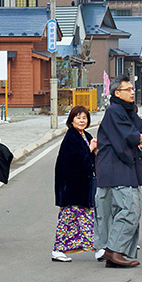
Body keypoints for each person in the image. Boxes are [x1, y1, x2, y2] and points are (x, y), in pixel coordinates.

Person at [95, 75, 142, 268]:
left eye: (133, 89)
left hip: (124, 168)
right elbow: (129, 136)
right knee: (129, 210)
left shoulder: (127, 111)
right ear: (117, 93)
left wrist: (141, 136)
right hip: (115, 168)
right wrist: (139, 137)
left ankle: (117, 253)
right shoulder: (114, 111)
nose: (132, 92)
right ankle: (114, 251)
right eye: (128, 89)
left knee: (127, 210)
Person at [52, 105, 98, 262]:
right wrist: (90, 149)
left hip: (81, 187)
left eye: (84, 118)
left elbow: (89, 159)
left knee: (81, 219)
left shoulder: (85, 135)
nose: (82, 121)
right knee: (70, 219)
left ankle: (96, 247)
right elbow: (76, 160)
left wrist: (94, 150)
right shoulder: (71, 138)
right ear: (71, 120)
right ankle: (97, 248)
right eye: (78, 118)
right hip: (71, 187)